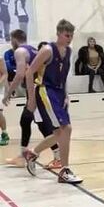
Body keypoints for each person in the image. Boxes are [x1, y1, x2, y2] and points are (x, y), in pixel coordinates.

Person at [23, 19, 82, 184]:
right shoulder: (48, 50)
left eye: (71, 35)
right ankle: (64, 170)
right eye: (67, 35)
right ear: (58, 34)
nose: (69, 38)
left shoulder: (68, 52)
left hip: (59, 92)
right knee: (66, 129)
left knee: (59, 134)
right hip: (45, 91)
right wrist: (31, 99)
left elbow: (63, 77)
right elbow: (29, 73)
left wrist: (66, 94)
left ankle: (32, 153)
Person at [3, 31, 61, 168]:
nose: (11, 43)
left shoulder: (20, 51)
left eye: (11, 40)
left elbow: (20, 74)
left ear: (14, 39)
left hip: (36, 92)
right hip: (37, 90)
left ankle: (55, 156)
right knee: (27, 121)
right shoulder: (33, 50)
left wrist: (8, 92)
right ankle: (23, 156)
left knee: (43, 125)